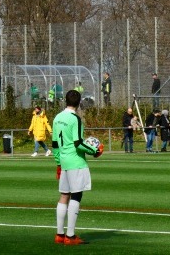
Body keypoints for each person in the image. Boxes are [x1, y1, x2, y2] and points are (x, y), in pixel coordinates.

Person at [52, 89, 104, 245]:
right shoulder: (75, 119)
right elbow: (78, 143)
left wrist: (58, 163)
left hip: (65, 161)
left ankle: (60, 234)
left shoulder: (57, 117)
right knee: (76, 196)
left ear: (65, 101)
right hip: (76, 162)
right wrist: (94, 151)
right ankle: (70, 236)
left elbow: (55, 144)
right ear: (79, 102)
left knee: (63, 196)